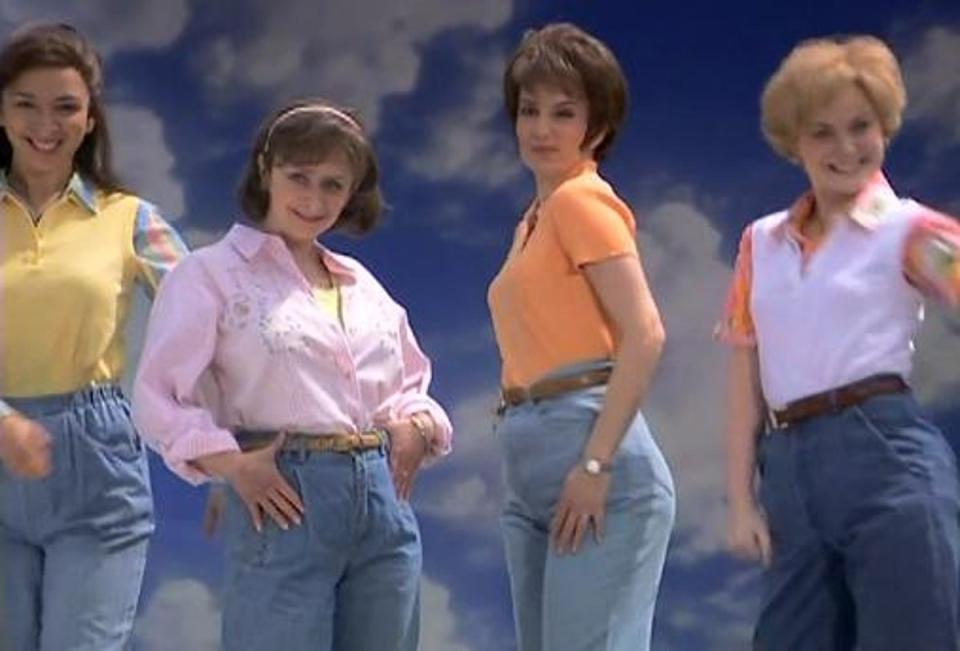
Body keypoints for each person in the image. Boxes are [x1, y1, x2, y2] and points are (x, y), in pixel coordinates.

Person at [132, 99, 452, 651]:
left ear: (353, 193)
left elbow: (410, 384)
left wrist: (417, 427)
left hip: (385, 511)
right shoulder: (209, 274)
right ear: (265, 169)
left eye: (333, 184)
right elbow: (159, 398)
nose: (313, 198)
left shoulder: (362, 284)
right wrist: (233, 466)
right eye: (298, 176)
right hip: (283, 497)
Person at [719, 35, 960, 651]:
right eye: (822, 132)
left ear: (885, 128)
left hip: (885, 455)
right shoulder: (760, 243)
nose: (846, 148)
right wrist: (741, 501)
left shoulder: (909, 230)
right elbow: (745, 372)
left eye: (862, 127)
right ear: (792, 141)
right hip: (789, 472)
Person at [487, 23, 675, 651]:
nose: (541, 128)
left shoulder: (580, 203)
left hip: (591, 449)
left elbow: (645, 332)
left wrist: (595, 465)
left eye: (563, 113)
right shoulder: (531, 222)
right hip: (528, 456)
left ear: (596, 127)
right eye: (530, 110)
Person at [0, 22, 187, 651]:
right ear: (1, 112)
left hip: (96, 470)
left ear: (90, 119)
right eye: (25, 103)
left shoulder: (129, 218)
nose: (44, 124)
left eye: (65, 107)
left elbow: (211, 316)